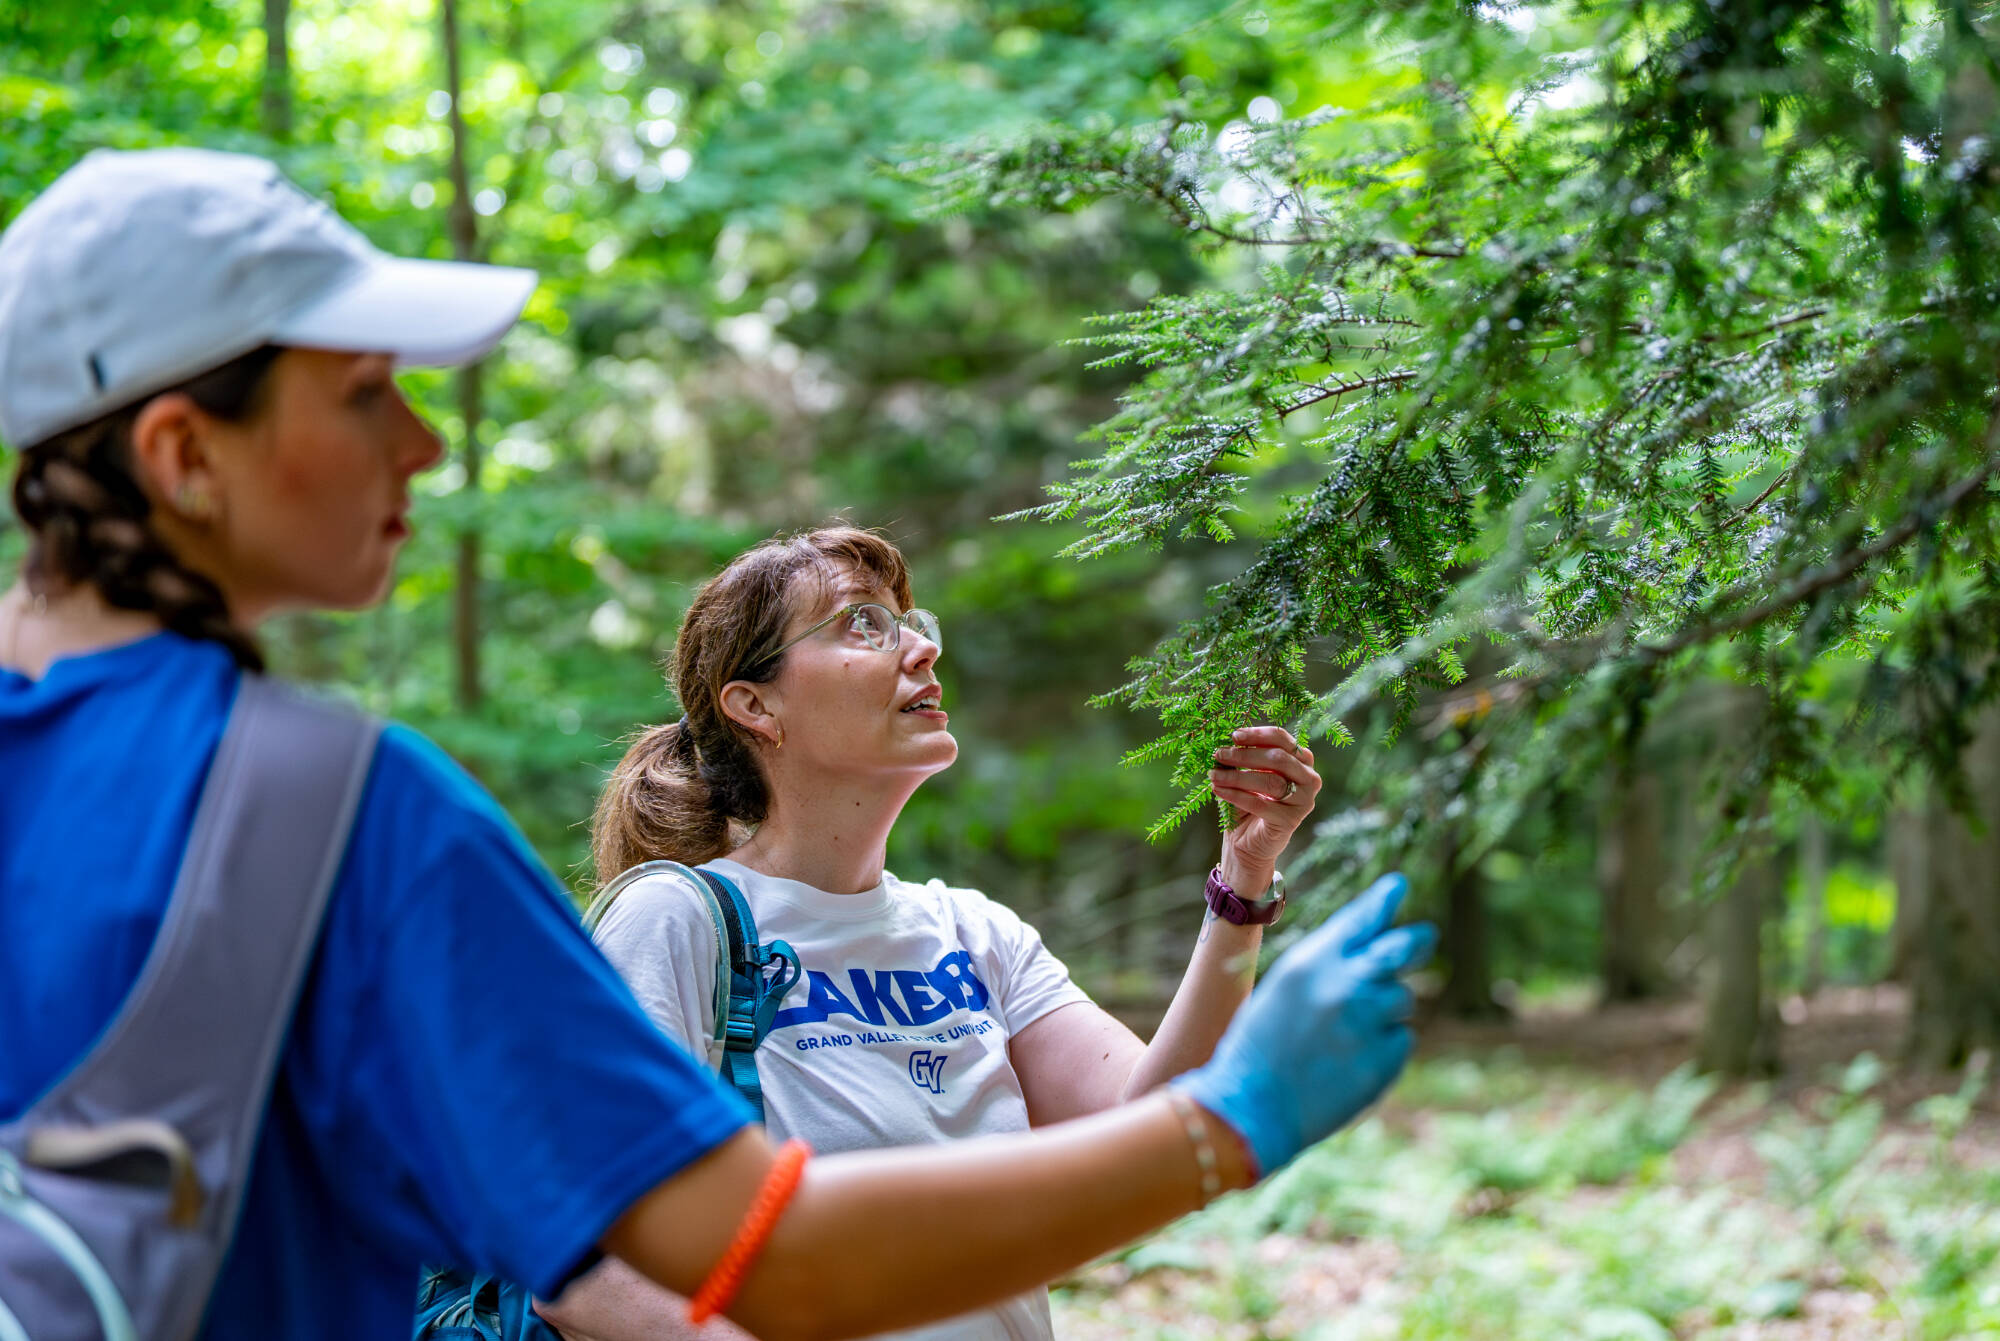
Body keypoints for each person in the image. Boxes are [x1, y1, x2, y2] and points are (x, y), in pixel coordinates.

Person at [0, 146, 1433, 1341]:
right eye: (366, 391)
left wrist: (1240, 907)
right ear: (184, 455)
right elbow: (755, 1247)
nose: (427, 445)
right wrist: (1229, 1123)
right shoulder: (342, 820)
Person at [539, 526, 1323, 1341]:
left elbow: (1157, 1130)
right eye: (863, 625)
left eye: (912, 625)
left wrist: (1243, 880)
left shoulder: (977, 933)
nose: (919, 651)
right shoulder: (678, 919)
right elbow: (577, 1259)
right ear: (755, 704)